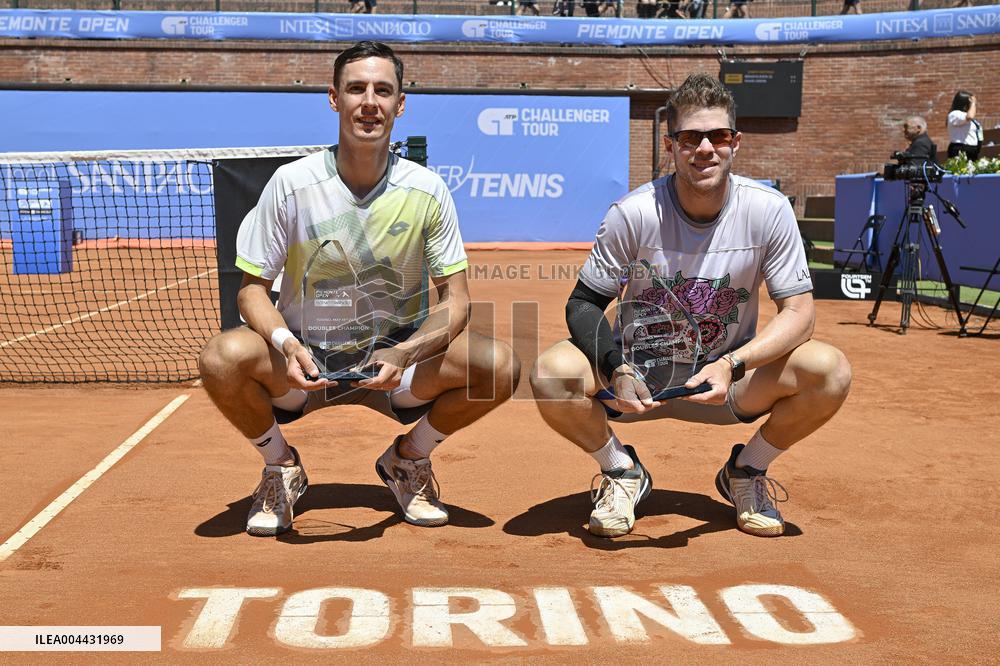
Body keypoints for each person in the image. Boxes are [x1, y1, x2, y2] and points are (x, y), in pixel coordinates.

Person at [199, 41, 520, 537]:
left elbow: (455, 300)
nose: (369, 101)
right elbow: (250, 292)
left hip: (393, 365)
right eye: (356, 89)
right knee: (223, 356)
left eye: (383, 90)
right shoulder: (291, 184)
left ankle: (408, 460)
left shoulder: (427, 190)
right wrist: (286, 346)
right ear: (334, 99)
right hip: (303, 362)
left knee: (499, 366)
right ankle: (280, 467)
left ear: (400, 104)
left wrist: (407, 353)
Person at [529, 73, 851, 539]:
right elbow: (584, 303)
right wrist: (615, 366)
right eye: (690, 137)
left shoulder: (768, 209)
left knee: (829, 370)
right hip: (637, 383)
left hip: (728, 384)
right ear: (670, 145)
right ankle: (622, 472)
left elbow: (800, 313)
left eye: (718, 136)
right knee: (550, 371)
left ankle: (746, 471)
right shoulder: (634, 213)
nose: (705, 148)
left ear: (735, 142)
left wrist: (733, 365)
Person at [947, 90, 983, 161]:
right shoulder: (955, 114)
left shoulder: (967, 117)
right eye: (970, 102)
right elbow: (970, 116)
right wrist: (973, 103)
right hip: (961, 149)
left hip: (972, 150)